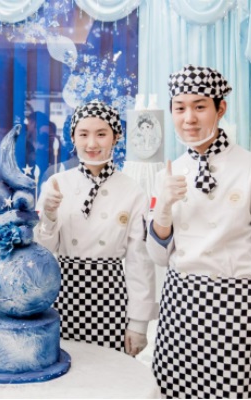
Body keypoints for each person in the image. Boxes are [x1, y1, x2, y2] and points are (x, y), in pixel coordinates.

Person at [147, 64, 251, 398]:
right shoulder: (168, 173)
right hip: (179, 309)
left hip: (234, 311)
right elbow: (158, 256)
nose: (189, 118)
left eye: (199, 107)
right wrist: (163, 208)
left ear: (221, 108)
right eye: (179, 108)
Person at [34, 100, 158, 356]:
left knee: (108, 371)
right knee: (65, 369)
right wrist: (48, 215)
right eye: (83, 134)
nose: (91, 144)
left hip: (110, 297)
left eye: (101, 134)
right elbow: (42, 250)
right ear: (73, 138)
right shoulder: (56, 183)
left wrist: (138, 324)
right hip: (62, 293)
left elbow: (140, 261)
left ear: (116, 137)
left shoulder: (132, 191)